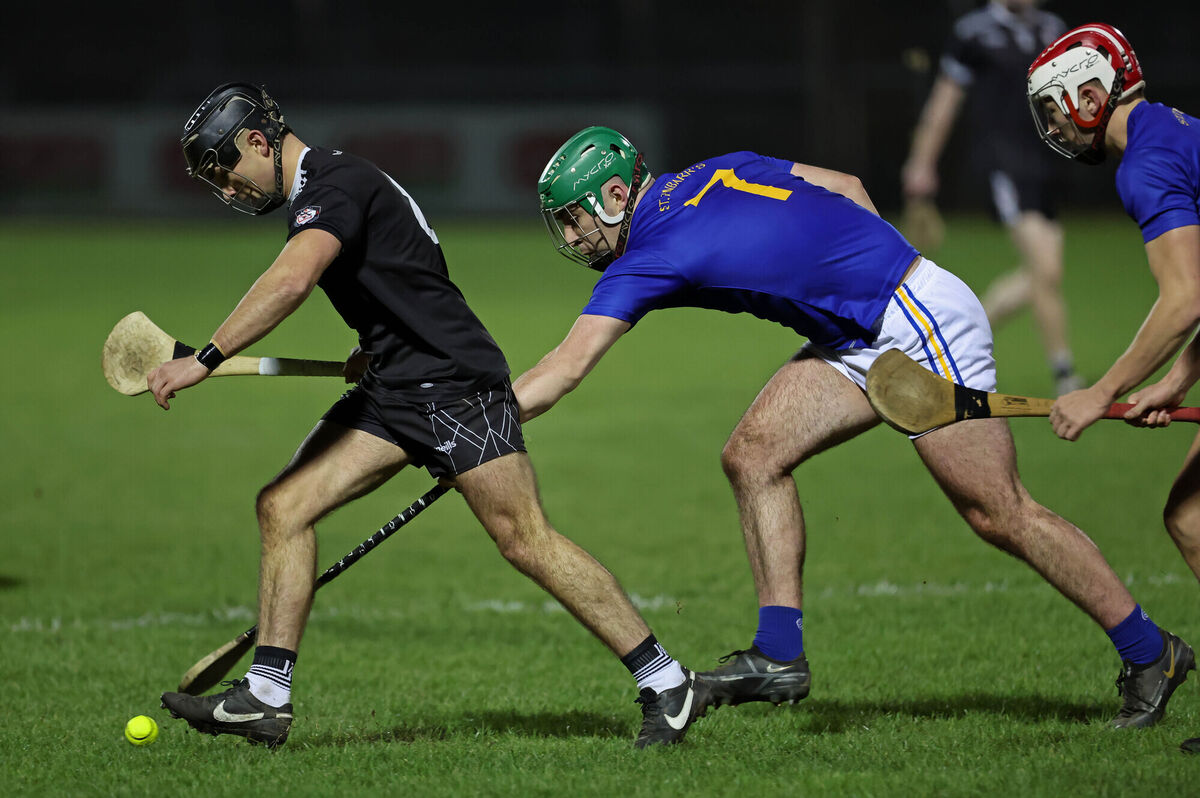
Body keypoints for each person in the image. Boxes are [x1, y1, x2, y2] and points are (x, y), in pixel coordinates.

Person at [514, 124, 1194, 729]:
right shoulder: (716, 167)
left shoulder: (650, 254)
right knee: (753, 455)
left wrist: (477, 423)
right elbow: (847, 185)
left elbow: (564, 370)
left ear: (614, 196)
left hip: (914, 323)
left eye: (574, 220)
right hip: (862, 333)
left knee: (998, 512)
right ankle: (779, 655)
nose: (571, 239)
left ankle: (1151, 653)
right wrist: (866, 272)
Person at [151, 83, 710, 749]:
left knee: (524, 539)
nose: (228, 190)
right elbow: (409, 273)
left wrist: (205, 358)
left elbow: (292, 280)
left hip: (454, 387)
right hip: (396, 386)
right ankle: (265, 698)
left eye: (226, 172)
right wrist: (380, 340)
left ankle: (667, 683)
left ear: (256, 141)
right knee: (283, 506)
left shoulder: (335, 184)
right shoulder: (329, 189)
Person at [1026, 23, 1200, 748]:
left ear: (1091, 96)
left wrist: (1101, 392)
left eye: (1055, 108)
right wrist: (1177, 378)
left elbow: (1185, 300)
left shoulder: (1147, 163)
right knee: (1192, 518)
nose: (1054, 126)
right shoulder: (1175, 132)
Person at [902, 0, 1083, 396]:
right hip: (1003, 166)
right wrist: (921, 163)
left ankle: (951, 339)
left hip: (1048, 166)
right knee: (1046, 269)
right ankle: (1065, 375)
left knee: (1041, 275)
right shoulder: (974, 33)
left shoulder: (1052, 28)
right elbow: (944, 102)